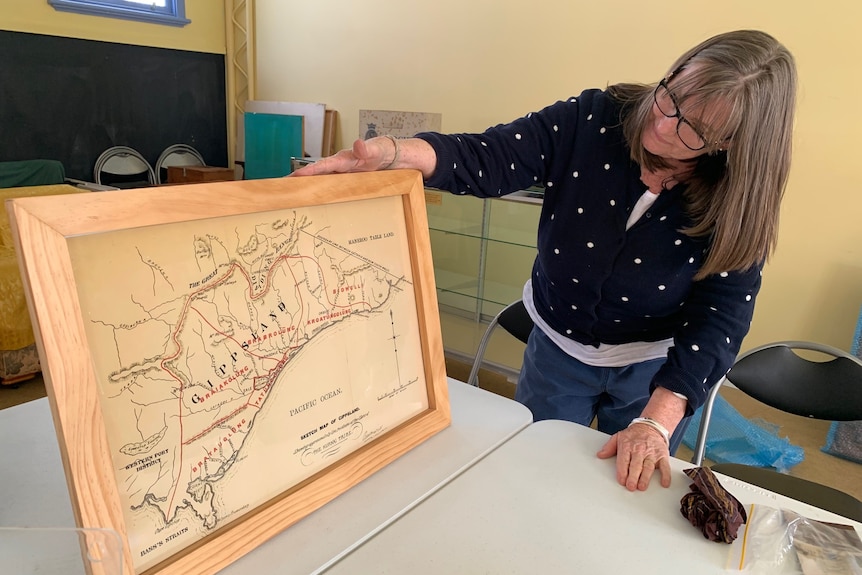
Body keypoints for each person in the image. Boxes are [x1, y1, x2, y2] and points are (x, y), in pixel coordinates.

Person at [292, 30, 797, 492]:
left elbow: (722, 315)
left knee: (624, 492)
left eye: (694, 128)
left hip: (653, 367)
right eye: (671, 95)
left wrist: (657, 419)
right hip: (557, 347)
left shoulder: (740, 195)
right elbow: (489, 156)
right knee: (533, 478)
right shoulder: (595, 118)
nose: (664, 124)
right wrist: (394, 154)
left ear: (730, 145)